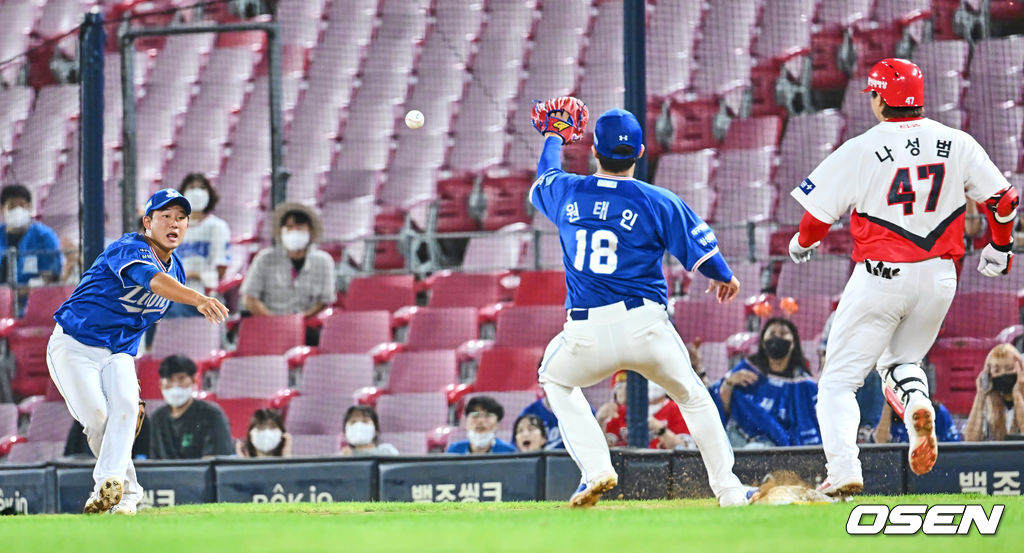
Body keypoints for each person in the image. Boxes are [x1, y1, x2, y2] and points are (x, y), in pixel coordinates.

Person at [786, 59, 1018, 496]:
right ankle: (916, 404)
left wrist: (801, 244)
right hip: (939, 279)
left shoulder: (861, 148)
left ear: (878, 98)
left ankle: (843, 469)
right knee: (901, 363)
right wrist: (1000, 248)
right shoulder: (957, 142)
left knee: (838, 382)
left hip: (880, 276)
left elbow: (816, 217)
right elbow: (1004, 201)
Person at [528, 99, 748, 508]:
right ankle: (730, 490)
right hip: (645, 326)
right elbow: (703, 253)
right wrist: (724, 277)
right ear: (641, 153)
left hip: (585, 332)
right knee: (695, 398)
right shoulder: (656, 199)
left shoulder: (567, 191)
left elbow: (545, 175)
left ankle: (595, 470)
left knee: (555, 379)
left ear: (594, 150)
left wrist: (554, 136)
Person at [46, 189, 228, 515]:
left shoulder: (179, 271)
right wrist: (198, 299)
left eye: (181, 217)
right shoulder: (129, 248)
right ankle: (127, 491)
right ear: (148, 222)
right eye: (165, 216)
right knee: (98, 419)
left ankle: (114, 493)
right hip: (75, 344)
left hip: (118, 352)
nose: (174, 223)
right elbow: (153, 281)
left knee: (127, 410)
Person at [710, 318, 821, 448]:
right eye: (772, 334)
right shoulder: (746, 369)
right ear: (763, 342)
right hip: (738, 441)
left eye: (783, 333)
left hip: (780, 451)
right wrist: (728, 383)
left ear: (793, 343)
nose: (777, 338)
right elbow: (719, 409)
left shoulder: (803, 385)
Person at [240, 202, 334, 319]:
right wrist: (276, 322)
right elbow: (250, 298)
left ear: (310, 231)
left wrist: (299, 321)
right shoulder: (264, 259)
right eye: (289, 228)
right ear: (281, 232)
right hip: (269, 324)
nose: (294, 232)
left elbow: (325, 301)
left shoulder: (324, 262)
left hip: (307, 325)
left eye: (299, 228)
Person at [166, 173, 230, 317]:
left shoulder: (217, 226)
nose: (197, 192)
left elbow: (220, 268)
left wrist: (196, 275)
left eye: (201, 188)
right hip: (174, 294)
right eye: (192, 187)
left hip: (205, 296)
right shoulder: (171, 228)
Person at [148, 355, 234, 461]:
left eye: (181, 379)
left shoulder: (211, 414)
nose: (175, 386)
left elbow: (218, 461)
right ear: (161, 384)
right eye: (170, 380)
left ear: (194, 380)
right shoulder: (157, 418)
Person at [602, 373, 692, 449]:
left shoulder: (675, 408)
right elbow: (606, 446)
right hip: (628, 464)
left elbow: (684, 449)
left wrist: (659, 429)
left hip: (664, 465)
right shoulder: (622, 410)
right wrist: (600, 421)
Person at [0, 183, 62, 287]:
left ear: (30, 207)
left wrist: (26, 290)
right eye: (12, 206)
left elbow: (52, 275)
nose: (17, 211)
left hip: (34, 300)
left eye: (22, 206)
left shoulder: (45, 237)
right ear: (2, 209)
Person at [965, 343, 1024, 441]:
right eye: (997, 370)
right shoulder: (987, 405)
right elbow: (970, 439)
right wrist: (980, 396)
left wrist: (1017, 395)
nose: (1003, 374)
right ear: (989, 374)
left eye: (1009, 369)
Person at [446, 396, 516, 454]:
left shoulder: (508, 452)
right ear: (466, 423)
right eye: (475, 415)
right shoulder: (454, 450)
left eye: (488, 415)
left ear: (498, 424)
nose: (481, 421)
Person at [873, 399, 961, 444]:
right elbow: (880, 441)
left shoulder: (938, 413)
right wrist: (889, 399)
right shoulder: (888, 417)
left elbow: (954, 447)